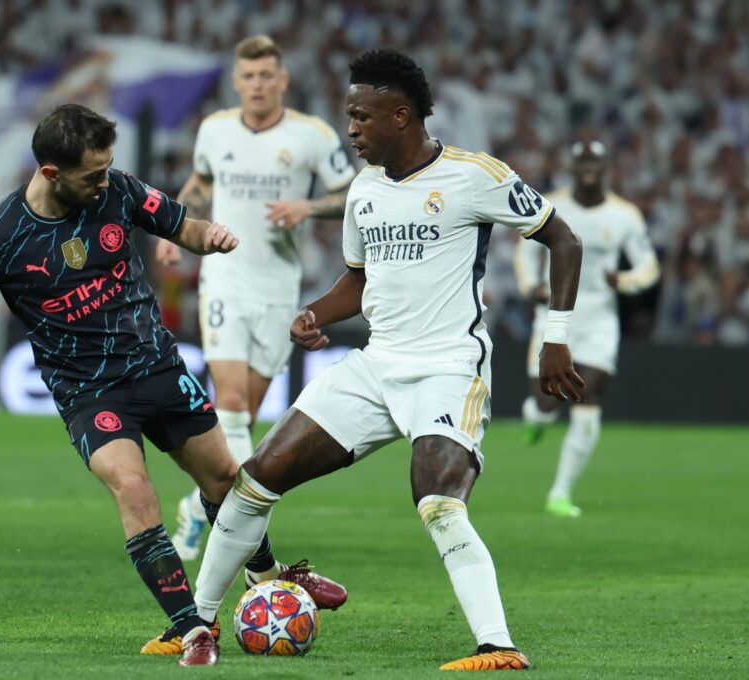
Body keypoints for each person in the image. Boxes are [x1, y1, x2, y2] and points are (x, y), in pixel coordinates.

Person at [0, 104, 345, 667]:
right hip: (90, 393)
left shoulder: (115, 189)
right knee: (134, 488)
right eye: (91, 174)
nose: (103, 181)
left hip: (157, 366)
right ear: (50, 173)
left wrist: (206, 236)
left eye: (106, 169)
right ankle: (191, 629)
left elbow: (178, 224)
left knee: (226, 480)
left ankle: (268, 578)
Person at [177, 49, 585, 669]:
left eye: (361, 117)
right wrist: (316, 312)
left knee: (438, 502)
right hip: (375, 366)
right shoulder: (364, 190)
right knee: (256, 478)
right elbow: (358, 281)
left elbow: (564, 239)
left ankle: (497, 647)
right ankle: (195, 625)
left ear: (402, 116)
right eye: (348, 117)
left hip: (449, 367)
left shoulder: (475, 175)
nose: (351, 130)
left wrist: (555, 338)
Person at [155, 35, 357, 562]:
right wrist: (175, 233)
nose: (258, 85)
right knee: (235, 406)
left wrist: (306, 208)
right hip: (223, 279)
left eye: (267, 75)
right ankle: (244, 538)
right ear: (237, 81)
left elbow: (352, 192)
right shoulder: (215, 130)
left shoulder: (310, 136)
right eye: (249, 76)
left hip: (277, 288)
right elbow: (199, 183)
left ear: (283, 79)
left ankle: (198, 506)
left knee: (242, 420)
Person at [516, 141, 660, 518]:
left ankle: (560, 493)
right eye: (581, 161)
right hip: (555, 315)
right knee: (548, 402)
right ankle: (535, 417)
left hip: (599, 318)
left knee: (589, 394)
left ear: (606, 166)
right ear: (572, 167)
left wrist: (625, 281)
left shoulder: (625, 215)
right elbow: (525, 251)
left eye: (594, 161)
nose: (588, 168)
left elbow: (649, 266)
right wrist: (530, 285)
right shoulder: (550, 204)